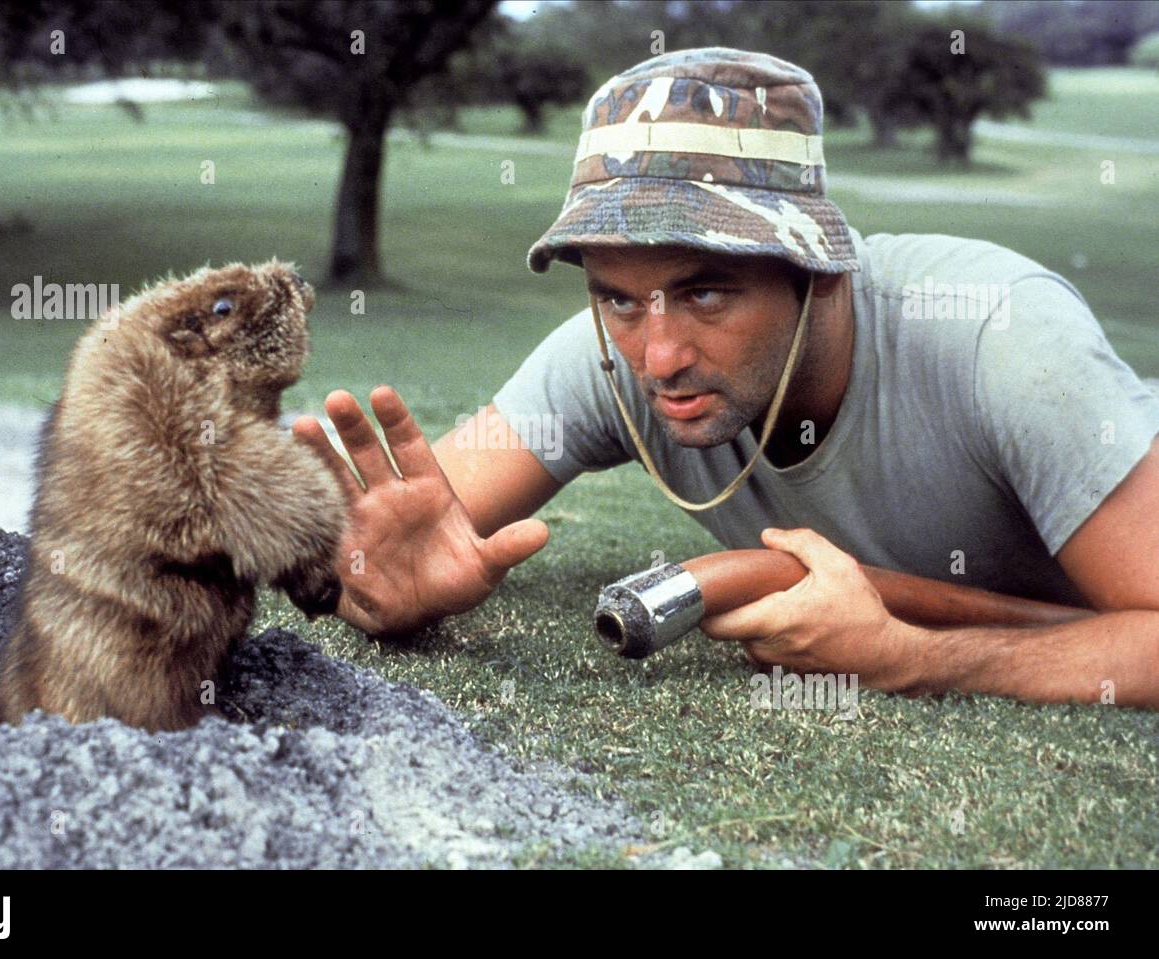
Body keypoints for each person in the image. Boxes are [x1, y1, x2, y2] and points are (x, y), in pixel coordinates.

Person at [293, 48, 1159, 708]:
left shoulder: (1002, 339)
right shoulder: (613, 350)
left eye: (708, 291)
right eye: (619, 299)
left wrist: (915, 657)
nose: (658, 355)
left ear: (819, 268)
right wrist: (371, 580)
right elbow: (422, 521)